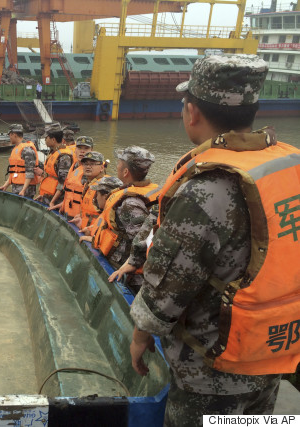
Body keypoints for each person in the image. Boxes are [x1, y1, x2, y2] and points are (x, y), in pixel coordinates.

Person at [129, 54, 298, 425]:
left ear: (192, 112)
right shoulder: (288, 166)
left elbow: (168, 286)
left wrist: (141, 336)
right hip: (272, 353)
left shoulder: (205, 192)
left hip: (212, 371)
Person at [91, 146, 158, 292]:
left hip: (128, 276)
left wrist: (129, 266)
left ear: (126, 172)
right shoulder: (151, 189)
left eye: (119, 164)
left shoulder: (130, 203)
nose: (116, 167)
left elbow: (141, 241)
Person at [53, 136, 94, 214]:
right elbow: (70, 191)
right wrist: (62, 204)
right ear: (75, 150)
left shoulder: (92, 172)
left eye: (86, 148)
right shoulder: (74, 166)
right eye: (79, 148)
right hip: (68, 212)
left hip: (79, 218)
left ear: (91, 151)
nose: (82, 151)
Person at [36, 123, 73, 208]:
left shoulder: (64, 157)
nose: (45, 140)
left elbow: (63, 183)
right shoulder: (53, 152)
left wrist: (52, 201)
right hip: (48, 196)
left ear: (53, 140)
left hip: (56, 201)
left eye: (46, 138)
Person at [0, 123, 39, 198]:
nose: (9, 137)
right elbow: (14, 171)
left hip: (25, 189)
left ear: (14, 134)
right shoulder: (16, 149)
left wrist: (23, 190)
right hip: (17, 187)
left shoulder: (27, 149)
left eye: (10, 135)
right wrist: (5, 186)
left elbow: (30, 172)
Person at [67, 150, 106, 227]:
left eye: (92, 164)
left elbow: (108, 219)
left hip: (94, 235)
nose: (88, 166)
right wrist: (81, 216)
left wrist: (91, 230)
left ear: (101, 167)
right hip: (85, 229)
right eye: (85, 164)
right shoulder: (88, 184)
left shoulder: (104, 187)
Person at [78, 175, 123, 240]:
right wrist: (90, 229)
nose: (96, 198)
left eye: (97, 194)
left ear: (105, 196)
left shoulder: (117, 218)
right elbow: (102, 226)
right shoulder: (110, 211)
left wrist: (93, 240)